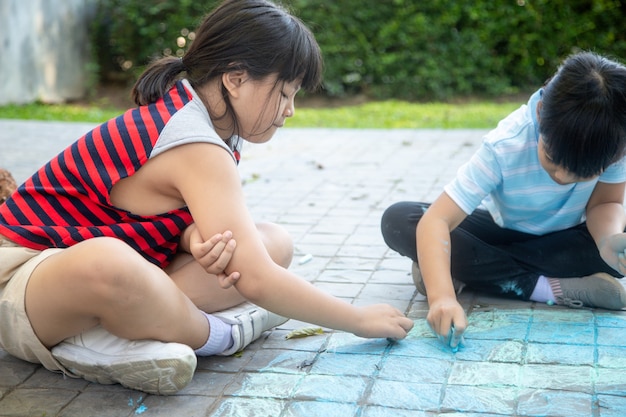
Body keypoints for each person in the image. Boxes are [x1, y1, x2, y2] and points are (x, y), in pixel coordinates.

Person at [0, 0, 413, 395]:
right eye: (285, 93)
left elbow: (135, 208)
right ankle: (221, 335)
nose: (290, 110)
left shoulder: (205, 120)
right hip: (21, 281)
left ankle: (117, 336)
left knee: (274, 243)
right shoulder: (193, 138)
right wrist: (356, 318)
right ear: (235, 79)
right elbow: (254, 278)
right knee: (111, 262)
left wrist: (188, 236)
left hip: (103, 277)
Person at [381, 51, 626, 350]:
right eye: (551, 158)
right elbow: (438, 219)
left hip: (561, 241)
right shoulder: (506, 144)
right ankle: (546, 287)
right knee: (399, 219)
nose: (561, 176)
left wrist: (607, 242)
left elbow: (604, 205)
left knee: (620, 242)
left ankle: (458, 267)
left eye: (582, 174)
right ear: (539, 115)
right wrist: (441, 297)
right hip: (502, 230)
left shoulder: (613, 138)